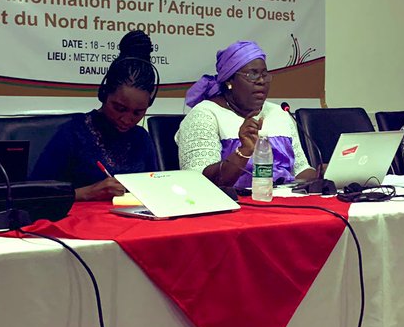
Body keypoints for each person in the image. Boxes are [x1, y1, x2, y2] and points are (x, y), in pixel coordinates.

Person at [30, 31, 159, 200]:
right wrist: (87, 193)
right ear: (104, 94)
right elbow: (35, 194)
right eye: (119, 108)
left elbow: (156, 189)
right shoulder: (73, 133)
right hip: (79, 215)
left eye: (138, 112)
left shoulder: (141, 138)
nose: (127, 119)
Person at [175, 40, 317, 189]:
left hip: (283, 200)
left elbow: (300, 171)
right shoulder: (205, 115)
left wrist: (321, 174)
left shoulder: (279, 113)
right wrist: (243, 151)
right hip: (231, 202)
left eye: (264, 75)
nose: (261, 81)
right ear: (229, 80)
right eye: (252, 74)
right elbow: (198, 182)